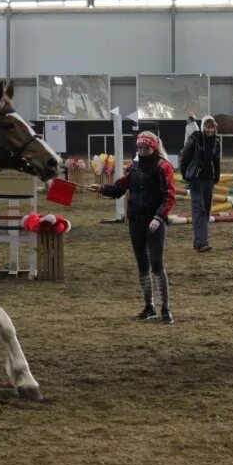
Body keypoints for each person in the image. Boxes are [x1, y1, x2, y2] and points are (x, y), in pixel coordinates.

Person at [88, 132, 176, 324]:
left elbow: (169, 196)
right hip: (135, 220)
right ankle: (149, 306)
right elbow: (120, 187)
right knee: (142, 265)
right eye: (140, 148)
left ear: (154, 147)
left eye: (147, 148)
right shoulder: (134, 167)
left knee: (157, 264)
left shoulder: (164, 167)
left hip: (154, 222)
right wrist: (102, 188)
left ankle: (165, 308)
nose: (143, 151)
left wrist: (159, 217)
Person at [179, 115, 221, 252]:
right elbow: (184, 158)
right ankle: (202, 242)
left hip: (209, 179)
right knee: (199, 209)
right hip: (196, 179)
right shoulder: (195, 139)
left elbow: (216, 161)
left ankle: (198, 240)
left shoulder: (216, 142)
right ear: (203, 127)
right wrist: (186, 175)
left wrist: (217, 176)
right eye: (208, 127)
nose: (210, 130)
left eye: (212, 127)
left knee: (206, 209)